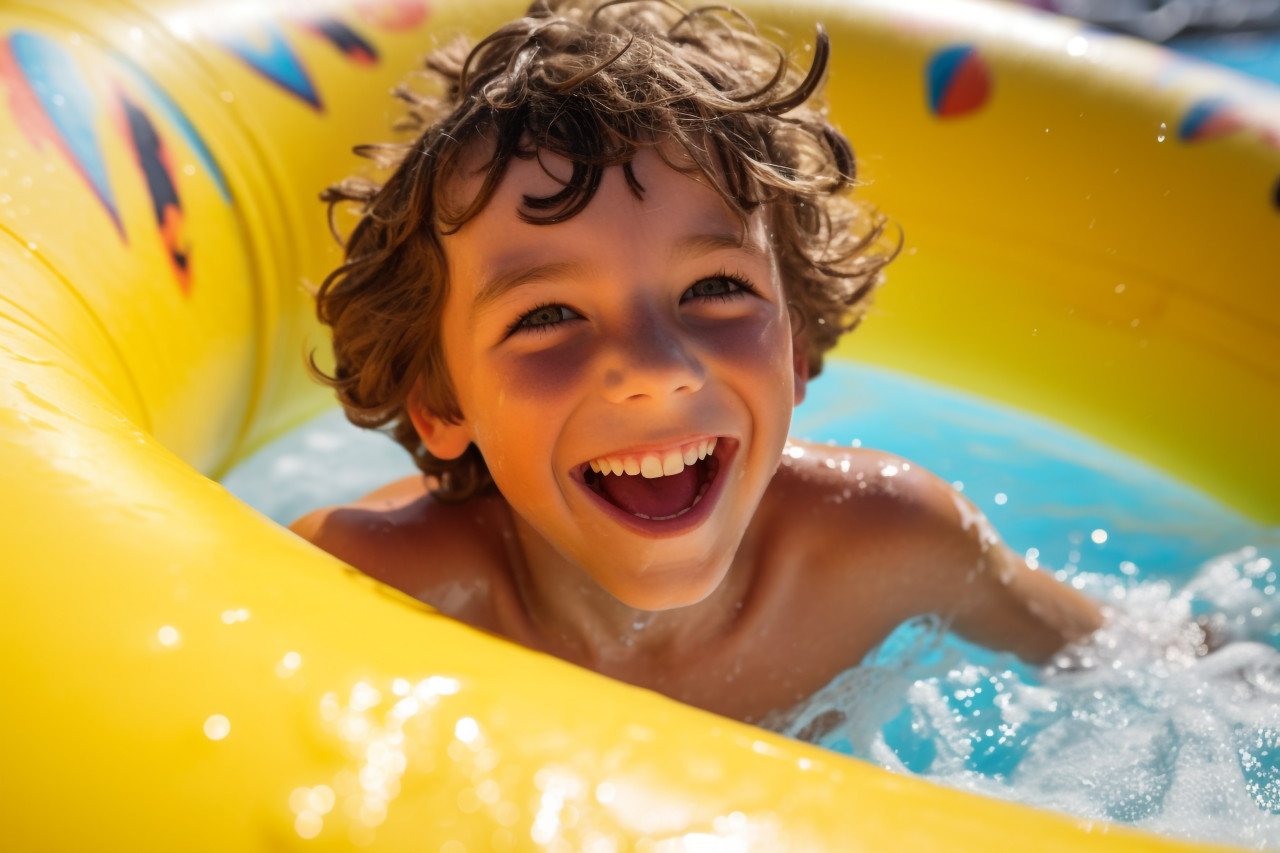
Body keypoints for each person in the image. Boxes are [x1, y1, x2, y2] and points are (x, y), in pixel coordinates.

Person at [290, 0, 1103, 724]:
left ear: (796, 345)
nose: (653, 367)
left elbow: (1146, 670)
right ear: (441, 400)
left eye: (715, 287)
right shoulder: (374, 596)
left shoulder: (891, 546)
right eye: (546, 315)